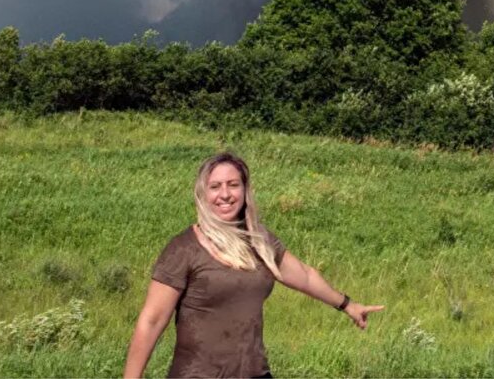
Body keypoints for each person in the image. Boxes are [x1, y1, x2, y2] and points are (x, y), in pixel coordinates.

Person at [124, 152, 383, 378]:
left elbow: (304, 275)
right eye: (215, 187)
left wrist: (348, 304)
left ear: (245, 191)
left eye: (233, 185)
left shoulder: (260, 242)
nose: (225, 194)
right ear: (203, 193)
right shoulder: (183, 248)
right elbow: (152, 320)